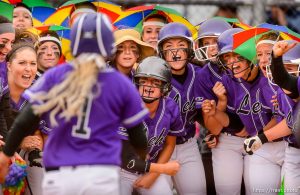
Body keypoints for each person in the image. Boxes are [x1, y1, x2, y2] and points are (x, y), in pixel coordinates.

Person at [0, 13, 149, 195]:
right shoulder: (120, 83)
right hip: (101, 172)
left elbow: (24, 122)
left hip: (61, 172)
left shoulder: (56, 75)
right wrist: (144, 158)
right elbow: (138, 136)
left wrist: (6, 153)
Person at [203, 27, 285, 195]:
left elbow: (283, 117)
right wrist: (219, 106)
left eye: (238, 56)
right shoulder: (228, 80)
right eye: (227, 57)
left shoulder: (269, 76)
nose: (233, 63)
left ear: (250, 56)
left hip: (284, 142)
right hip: (261, 147)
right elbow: (226, 124)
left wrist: (258, 135)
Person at [120, 56, 184, 195]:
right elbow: (125, 159)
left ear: (165, 87)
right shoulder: (125, 107)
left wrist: (153, 175)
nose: (148, 86)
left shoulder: (170, 107)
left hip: (151, 168)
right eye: (143, 81)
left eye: (155, 82)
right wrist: (162, 169)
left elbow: (169, 144)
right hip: (120, 170)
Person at [244, 41, 300, 194]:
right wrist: (261, 138)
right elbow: (291, 123)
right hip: (293, 151)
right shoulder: (283, 91)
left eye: (290, 69)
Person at [157, 22, 207, 195]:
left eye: (181, 45)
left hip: (188, 145)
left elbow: (203, 113)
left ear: (189, 49)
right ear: (161, 52)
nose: (175, 52)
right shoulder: (154, 77)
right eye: (169, 46)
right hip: (159, 148)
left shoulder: (200, 74)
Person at [0, 16, 15, 140]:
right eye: (3, 42)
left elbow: (2, 112)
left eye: (12, 42)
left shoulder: (3, 68)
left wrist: (8, 149)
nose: (9, 48)